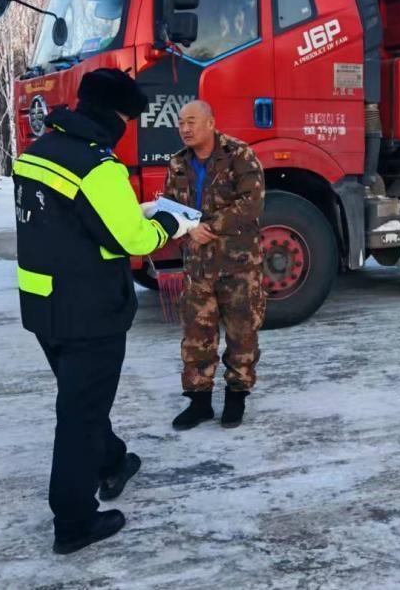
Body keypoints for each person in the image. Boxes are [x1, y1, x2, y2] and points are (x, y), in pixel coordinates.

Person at [14, 67, 193, 554]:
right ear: (116, 115)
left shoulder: (38, 152)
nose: (127, 130)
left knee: (81, 398)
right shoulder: (98, 165)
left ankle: (112, 462)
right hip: (89, 312)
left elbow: (70, 219)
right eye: (128, 121)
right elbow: (133, 239)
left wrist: (127, 213)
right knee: (80, 413)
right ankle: (73, 522)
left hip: (44, 305)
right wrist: (169, 224)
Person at [163, 100, 266, 429]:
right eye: (181, 122)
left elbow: (252, 203)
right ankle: (199, 403)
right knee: (196, 336)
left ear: (211, 123)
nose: (185, 128)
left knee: (242, 333)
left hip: (238, 264)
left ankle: (236, 397)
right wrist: (187, 229)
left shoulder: (239, 155)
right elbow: (169, 207)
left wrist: (210, 226)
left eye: (191, 121)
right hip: (198, 266)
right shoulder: (178, 163)